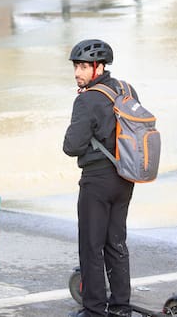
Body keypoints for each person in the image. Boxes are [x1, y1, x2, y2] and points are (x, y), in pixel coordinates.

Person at [63, 39, 136, 317]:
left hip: (97, 180)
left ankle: (94, 310)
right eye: (76, 66)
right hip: (125, 177)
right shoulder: (126, 89)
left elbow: (72, 147)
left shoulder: (87, 100)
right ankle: (120, 307)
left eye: (83, 67)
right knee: (116, 243)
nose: (77, 73)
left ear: (99, 66)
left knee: (91, 246)